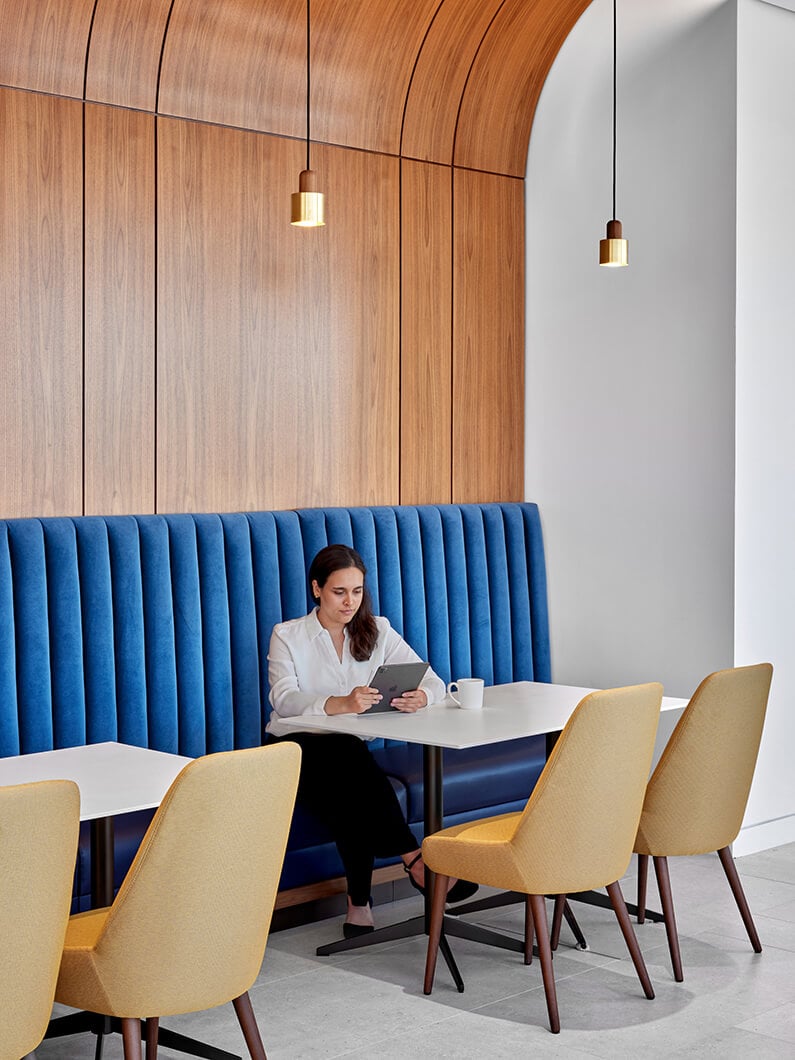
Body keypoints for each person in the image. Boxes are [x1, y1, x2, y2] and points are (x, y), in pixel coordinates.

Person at [267, 543, 476, 937]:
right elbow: (283, 699)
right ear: (316, 589)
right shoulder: (288, 635)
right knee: (349, 755)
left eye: (357, 592)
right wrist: (338, 703)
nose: (350, 602)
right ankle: (414, 858)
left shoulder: (377, 629)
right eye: (339, 592)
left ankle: (360, 904)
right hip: (295, 749)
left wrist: (424, 696)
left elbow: (430, 677)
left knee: (350, 785)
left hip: (347, 757)